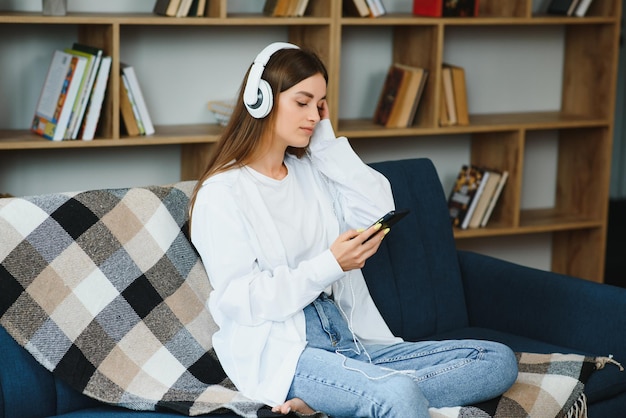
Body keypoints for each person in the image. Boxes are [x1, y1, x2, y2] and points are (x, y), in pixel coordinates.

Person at [189, 42, 518, 418]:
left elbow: (377, 207)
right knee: (398, 395)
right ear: (260, 99)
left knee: (496, 359)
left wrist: (325, 141)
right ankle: (366, 392)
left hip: (350, 340)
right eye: (302, 102)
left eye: (321, 104)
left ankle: (338, 399)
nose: (313, 115)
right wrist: (329, 264)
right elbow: (240, 299)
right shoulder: (222, 193)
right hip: (293, 353)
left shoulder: (310, 172)